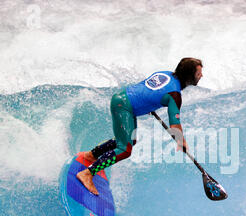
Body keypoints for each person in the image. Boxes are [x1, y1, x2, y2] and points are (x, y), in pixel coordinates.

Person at [76, 57, 203, 195]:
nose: (201, 76)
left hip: (122, 97)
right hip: (124, 106)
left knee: (132, 140)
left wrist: (150, 102)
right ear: (189, 76)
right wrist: (181, 141)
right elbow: (175, 124)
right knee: (125, 149)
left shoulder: (165, 74)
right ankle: (88, 173)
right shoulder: (175, 95)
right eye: (198, 74)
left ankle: (91, 155)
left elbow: (147, 88)